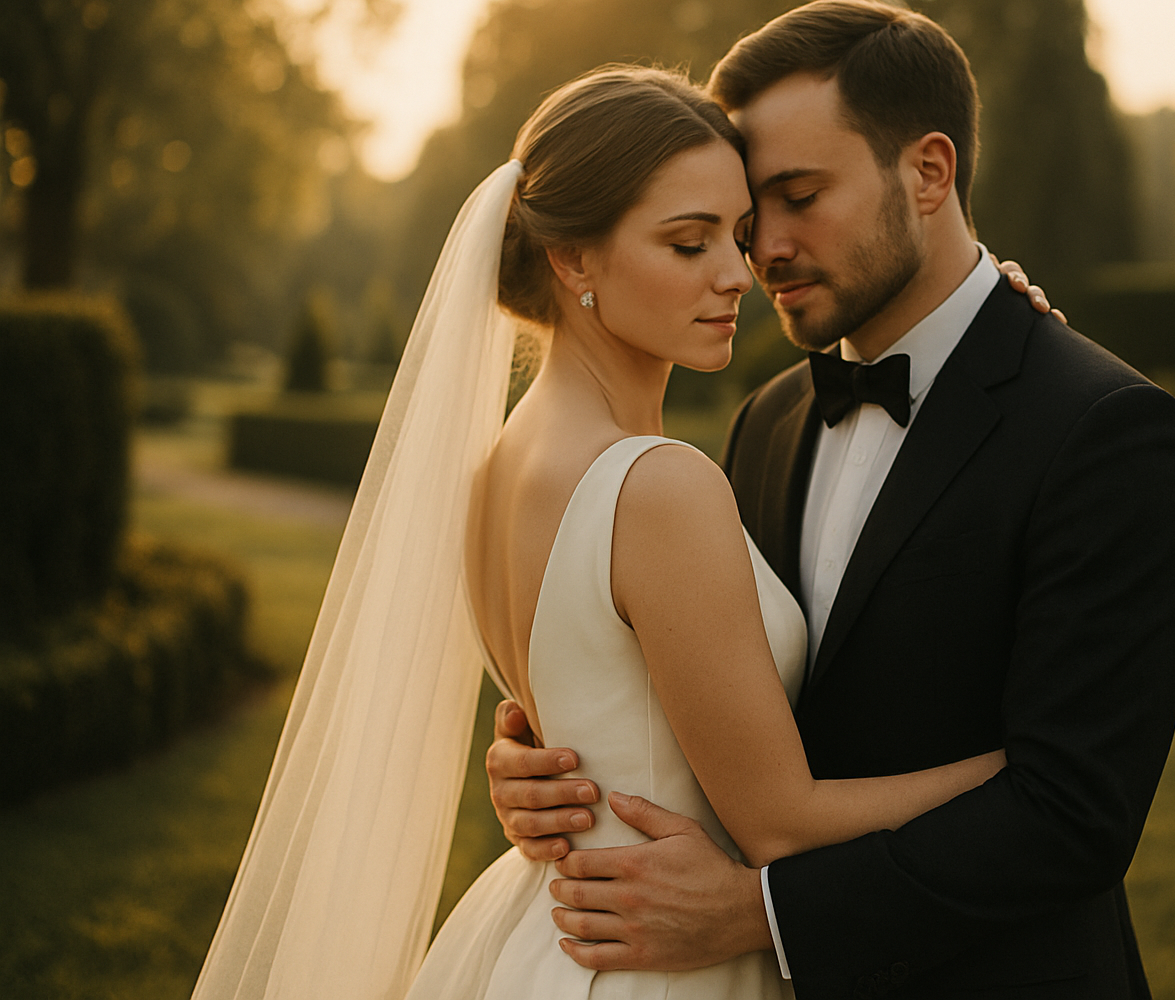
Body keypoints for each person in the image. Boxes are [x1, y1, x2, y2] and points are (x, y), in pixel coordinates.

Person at [191, 62, 1048, 1000]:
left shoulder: (494, 467)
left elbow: (575, 703)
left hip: (543, 936)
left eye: (739, 233)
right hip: (663, 960)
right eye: (689, 244)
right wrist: (1022, 770)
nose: (739, 273)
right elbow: (779, 820)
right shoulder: (657, 486)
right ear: (574, 259)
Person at [489, 0, 1175, 1000]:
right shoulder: (767, 420)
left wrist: (764, 913)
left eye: (797, 196)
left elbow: (1075, 815)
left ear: (928, 172)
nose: (761, 250)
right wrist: (554, 762)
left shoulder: (1103, 432)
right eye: (741, 218)